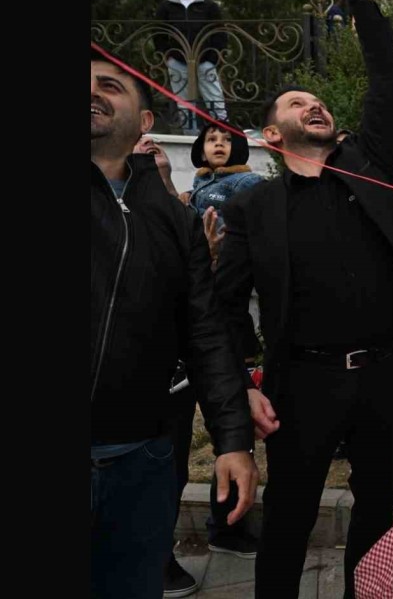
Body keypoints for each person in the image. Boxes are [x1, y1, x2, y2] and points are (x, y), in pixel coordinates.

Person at [214, 0, 393, 596]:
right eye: (296, 103)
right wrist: (245, 386)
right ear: (271, 134)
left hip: (384, 376)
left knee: (377, 520)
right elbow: (224, 306)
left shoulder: (368, 163)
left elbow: (385, 73)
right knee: (289, 518)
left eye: (316, 101)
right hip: (302, 384)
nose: (313, 104)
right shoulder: (253, 207)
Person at [91, 47, 259, 599]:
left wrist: (233, 440)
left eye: (111, 86)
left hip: (140, 460)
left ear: (144, 125)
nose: (93, 92)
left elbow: (205, 332)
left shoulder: (175, 218)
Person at [154, 0, 229, 133]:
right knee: (185, 105)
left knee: (215, 100)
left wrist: (212, 59)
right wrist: (168, 57)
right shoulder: (166, 8)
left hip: (205, 61)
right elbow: (158, 34)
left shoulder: (209, 6)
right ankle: (191, 140)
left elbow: (220, 33)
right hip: (178, 62)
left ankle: (224, 134)